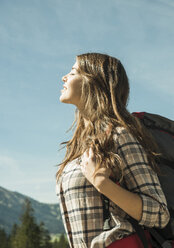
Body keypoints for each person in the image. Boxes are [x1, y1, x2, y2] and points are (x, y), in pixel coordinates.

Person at [56, 53, 170, 248]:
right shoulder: (80, 145)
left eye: (73, 72)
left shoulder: (119, 135)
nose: (64, 77)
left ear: (93, 82)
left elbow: (159, 214)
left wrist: (102, 183)